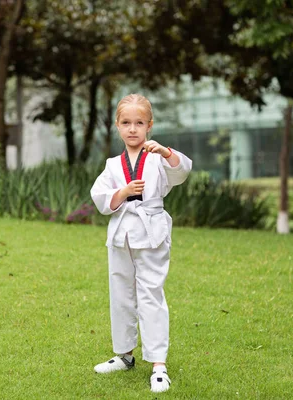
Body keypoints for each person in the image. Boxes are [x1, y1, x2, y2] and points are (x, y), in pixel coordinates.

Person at [90, 93, 192, 393]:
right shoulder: (112, 164)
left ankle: (159, 364)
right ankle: (124, 354)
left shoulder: (158, 157)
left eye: (139, 123)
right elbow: (100, 197)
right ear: (117, 126)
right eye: (126, 123)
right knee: (120, 292)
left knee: (151, 294)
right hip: (122, 233)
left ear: (149, 125)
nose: (132, 129)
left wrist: (166, 151)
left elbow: (182, 171)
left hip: (151, 232)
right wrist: (122, 192)